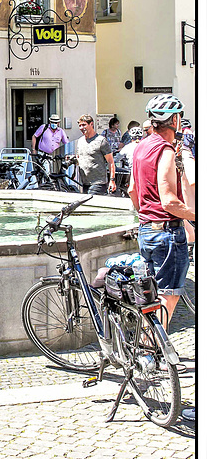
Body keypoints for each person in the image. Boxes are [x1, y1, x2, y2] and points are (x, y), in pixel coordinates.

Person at [128, 94, 195, 326]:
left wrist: (145, 214)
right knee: (168, 295)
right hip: (166, 233)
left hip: (146, 230)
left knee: (150, 297)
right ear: (174, 120)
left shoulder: (140, 147)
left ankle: (146, 348)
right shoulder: (165, 150)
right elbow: (169, 202)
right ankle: (154, 352)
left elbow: (132, 190)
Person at [76, 114, 116, 195]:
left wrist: (112, 180)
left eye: (84, 125)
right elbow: (79, 158)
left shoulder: (101, 141)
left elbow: (111, 162)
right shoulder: (80, 141)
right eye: (80, 126)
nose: (81, 128)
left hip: (98, 183)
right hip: (84, 182)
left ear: (91, 124)